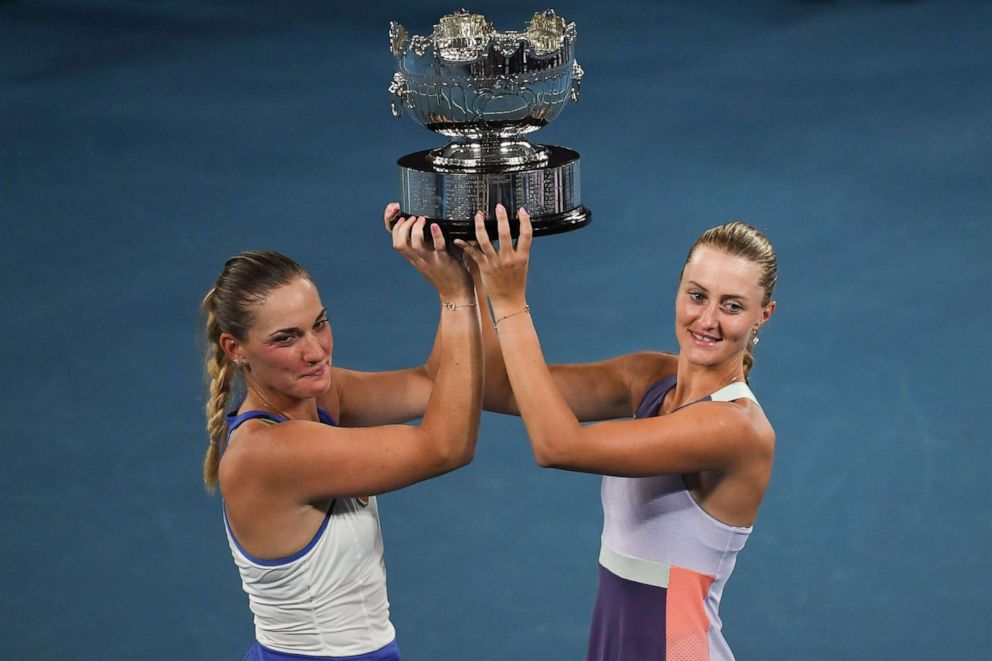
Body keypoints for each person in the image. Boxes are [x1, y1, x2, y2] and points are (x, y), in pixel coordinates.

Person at [456, 204, 778, 660]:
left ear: (763, 315)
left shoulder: (735, 427)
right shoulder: (648, 376)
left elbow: (558, 445)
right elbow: (499, 385)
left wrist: (509, 300)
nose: (707, 321)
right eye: (697, 296)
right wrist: (466, 279)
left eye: (732, 306)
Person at [200, 206, 482, 661]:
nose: (315, 351)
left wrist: (466, 275)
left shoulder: (320, 400)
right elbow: (445, 447)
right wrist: (456, 296)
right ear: (236, 349)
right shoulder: (269, 452)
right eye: (286, 338)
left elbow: (435, 386)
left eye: (320, 324)